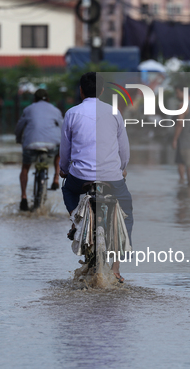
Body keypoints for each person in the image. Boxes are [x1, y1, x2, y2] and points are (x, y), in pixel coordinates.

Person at [60, 72, 133, 283]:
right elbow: (124, 150)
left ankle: (76, 221)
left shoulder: (72, 113)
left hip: (80, 177)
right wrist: (122, 168)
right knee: (126, 210)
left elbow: (65, 150)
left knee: (68, 189)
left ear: (81, 91)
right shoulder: (114, 112)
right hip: (112, 176)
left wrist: (63, 169)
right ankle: (116, 269)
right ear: (101, 91)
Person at [15, 89, 63, 211]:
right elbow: (63, 127)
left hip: (31, 144)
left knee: (25, 167)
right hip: (52, 145)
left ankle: (24, 197)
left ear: (34, 99)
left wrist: (19, 139)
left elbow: (19, 127)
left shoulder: (28, 109)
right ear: (48, 100)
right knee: (59, 153)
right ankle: (56, 178)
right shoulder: (55, 110)